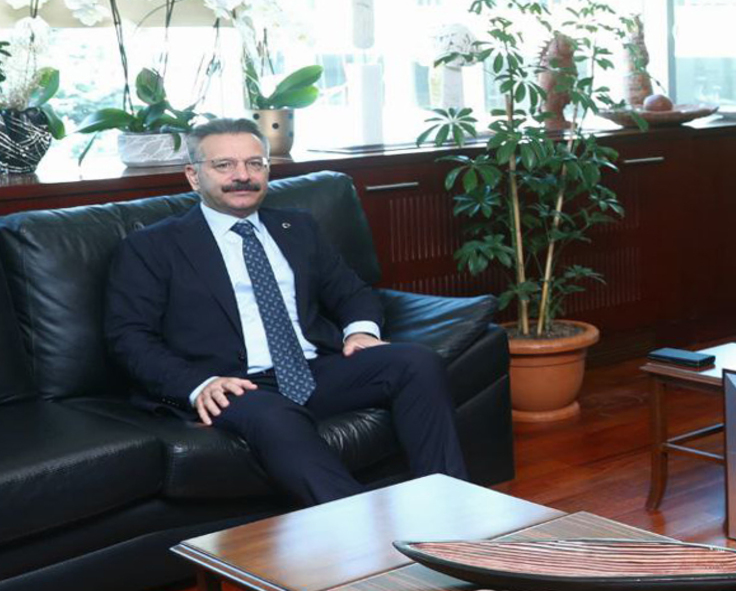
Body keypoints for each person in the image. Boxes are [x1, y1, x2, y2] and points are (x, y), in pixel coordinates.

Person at [105, 118, 469, 506]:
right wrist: (198, 385)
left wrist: (360, 331)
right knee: (274, 415)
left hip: (313, 369)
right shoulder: (152, 246)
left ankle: (451, 507)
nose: (242, 176)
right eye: (224, 165)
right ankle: (360, 527)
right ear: (194, 176)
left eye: (255, 163)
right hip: (233, 384)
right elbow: (129, 338)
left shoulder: (298, 228)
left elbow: (351, 292)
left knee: (416, 362)